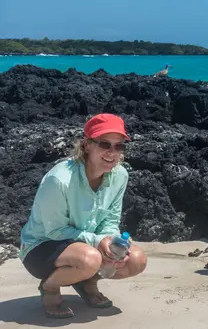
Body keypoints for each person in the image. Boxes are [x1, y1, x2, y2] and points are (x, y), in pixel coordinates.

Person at [18, 113, 147, 318]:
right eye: (105, 144)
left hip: (84, 245)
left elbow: (111, 220)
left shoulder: (120, 175)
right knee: (90, 259)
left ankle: (87, 282)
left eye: (119, 146)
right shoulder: (60, 180)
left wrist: (111, 242)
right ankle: (50, 287)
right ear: (87, 145)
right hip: (42, 246)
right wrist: (98, 241)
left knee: (136, 260)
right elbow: (55, 230)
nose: (112, 153)